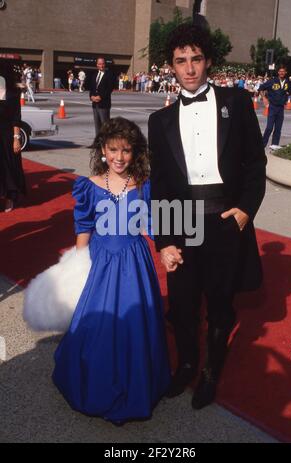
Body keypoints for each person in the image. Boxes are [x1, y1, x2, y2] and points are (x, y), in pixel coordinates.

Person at [148, 23, 267, 410]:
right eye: (181, 61)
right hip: (181, 220)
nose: (189, 68)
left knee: (219, 304)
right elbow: (161, 185)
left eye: (195, 59)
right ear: (171, 66)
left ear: (208, 60)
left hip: (225, 219)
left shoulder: (238, 101)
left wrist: (246, 209)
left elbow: (255, 163)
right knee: (181, 303)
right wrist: (163, 240)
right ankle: (185, 364)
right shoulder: (159, 122)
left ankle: (210, 373)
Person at [52, 117, 171, 424]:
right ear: (102, 149)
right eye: (113, 149)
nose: (119, 157)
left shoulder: (144, 184)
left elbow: (151, 223)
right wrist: (80, 260)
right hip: (100, 261)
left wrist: (166, 248)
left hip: (134, 261)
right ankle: (95, 380)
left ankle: (139, 381)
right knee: (97, 322)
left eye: (126, 151)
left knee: (136, 319)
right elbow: (84, 225)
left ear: (136, 153)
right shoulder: (89, 185)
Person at [0, 59, 26, 212]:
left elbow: (16, 118)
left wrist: (16, 139)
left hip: (7, 135)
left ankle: (10, 197)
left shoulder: (12, 93)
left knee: (8, 167)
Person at [259, 66, 291, 150]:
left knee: (278, 128)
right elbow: (261, 88)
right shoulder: (272, 81)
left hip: (281, 108)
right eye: (280, 71)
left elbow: (290, 91)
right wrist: (264, 98)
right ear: (278, 72)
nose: (281, 73)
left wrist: (289, 97)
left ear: (285, 72)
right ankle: (262, 146)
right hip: (273, 107)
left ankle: (274, 145)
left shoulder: (288, 82)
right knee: (269, 127)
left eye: (283, 71)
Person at [89, 57, 115, 136]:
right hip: (95, 104)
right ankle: (98, 143)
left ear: (105, 64)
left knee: (105, 126)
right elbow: (92, 88)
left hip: (104, 104)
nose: (101, 65)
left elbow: (109, 89)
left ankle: (106, 143)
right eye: (99, 64)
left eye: (103, 64)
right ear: (97, 65)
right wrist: (91, 97)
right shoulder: (94, 75)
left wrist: (100, 97)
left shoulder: (109, 75)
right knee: (97, 126)